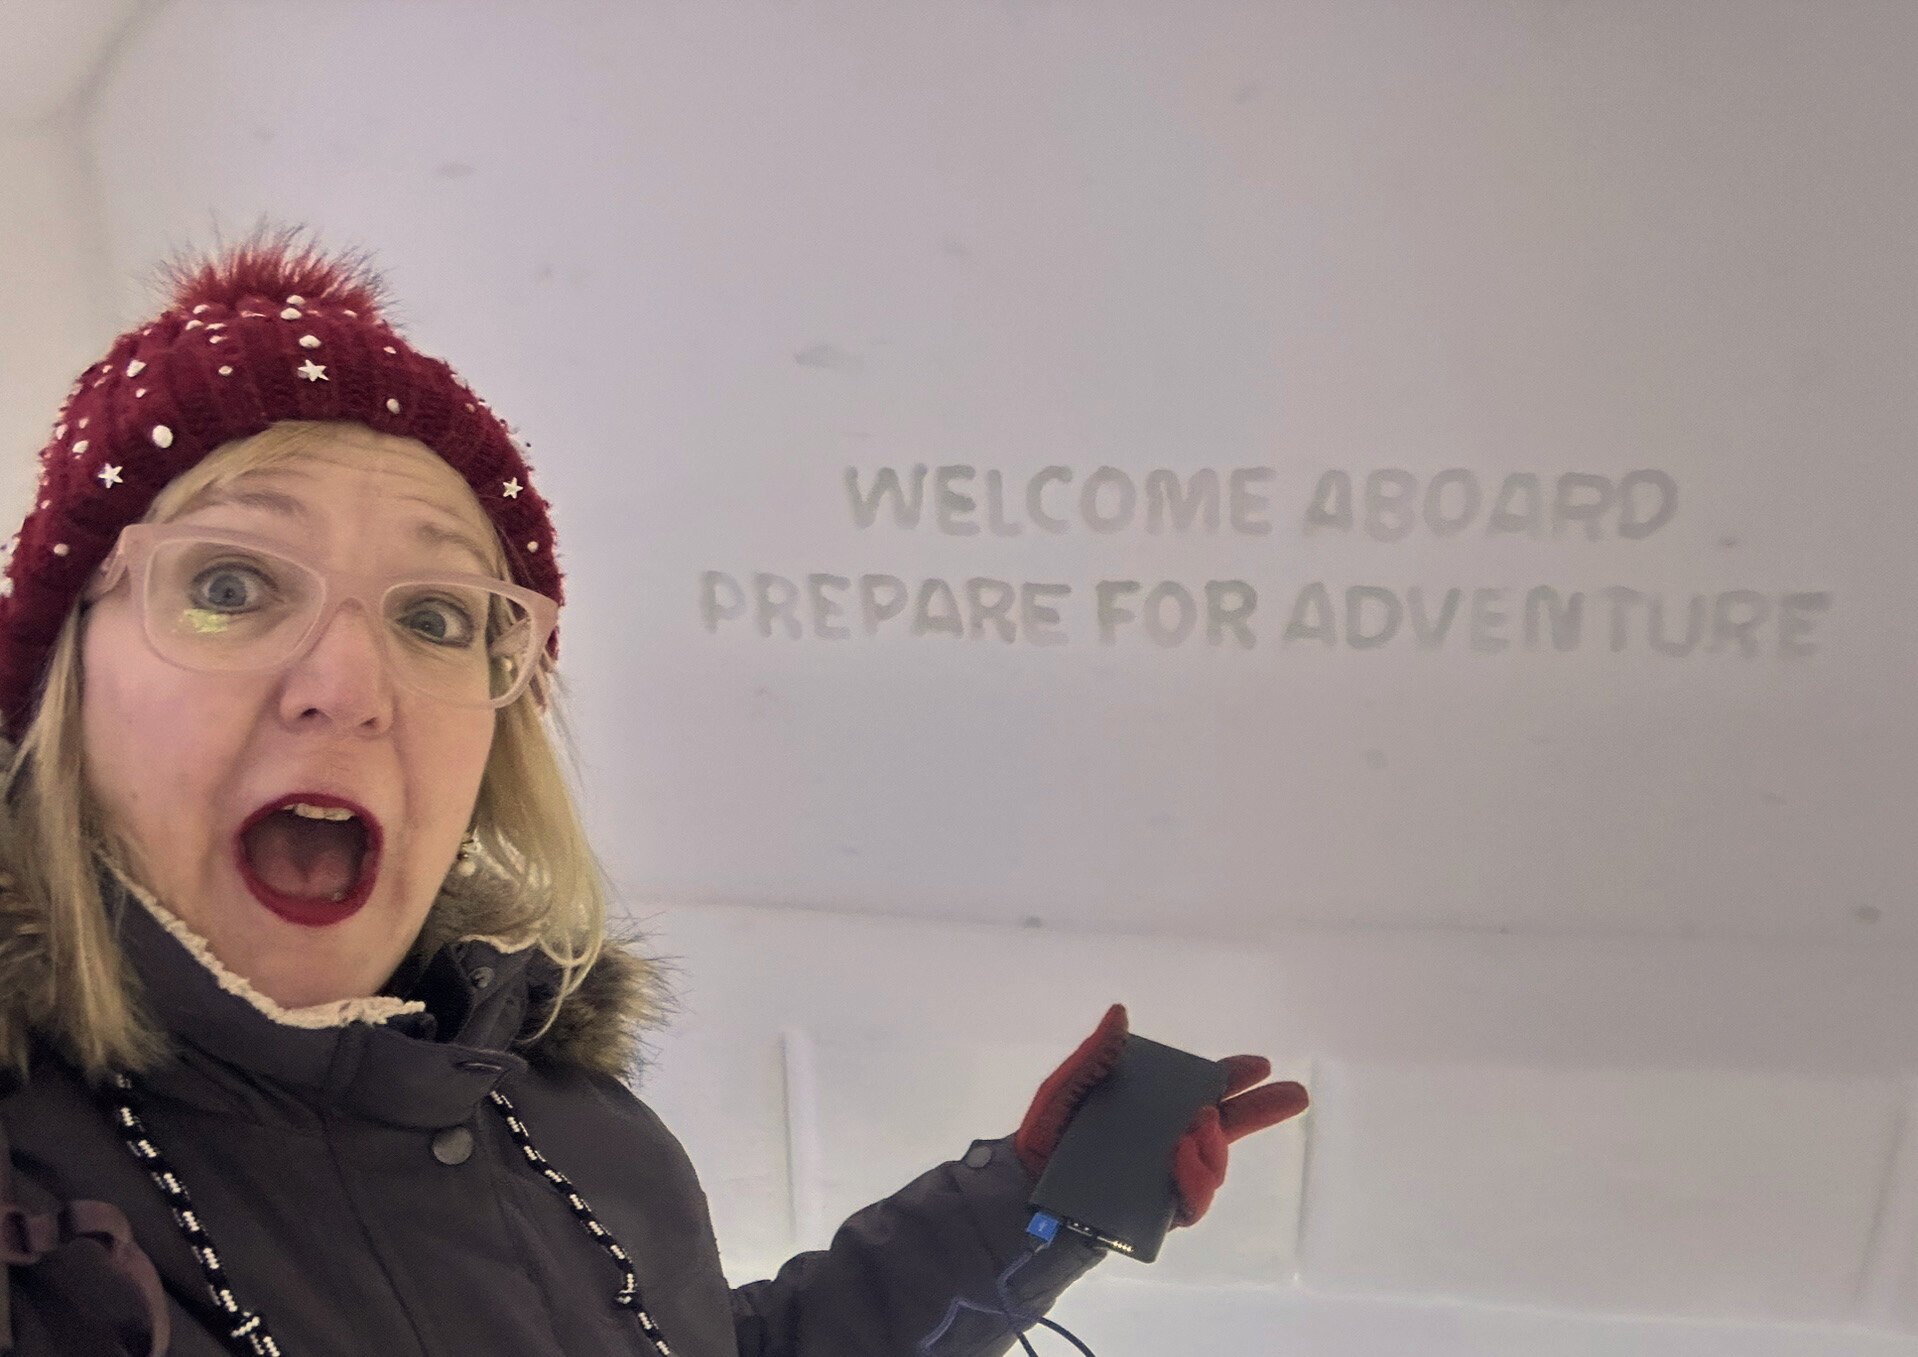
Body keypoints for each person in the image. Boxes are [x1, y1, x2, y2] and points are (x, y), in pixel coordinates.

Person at [0, 230, 1310, 1356]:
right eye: (230, 584)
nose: (348, 680)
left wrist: (1030, 1202)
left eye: (436, 614)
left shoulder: (576, 1127)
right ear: (62, 686)